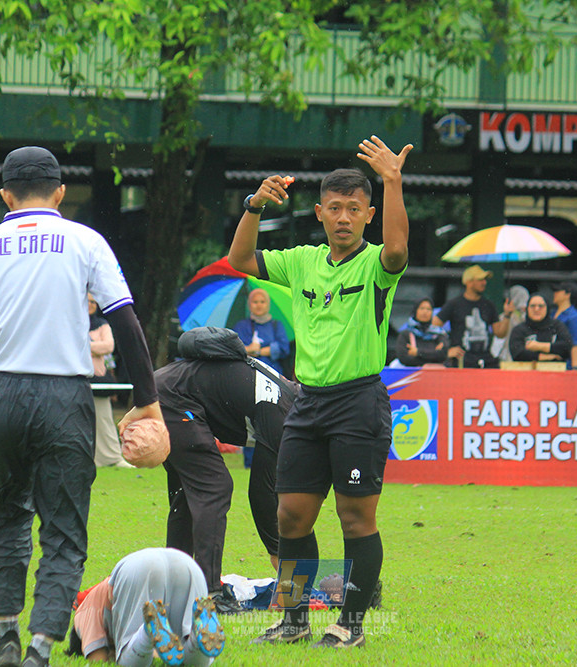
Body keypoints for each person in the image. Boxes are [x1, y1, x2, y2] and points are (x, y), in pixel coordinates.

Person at [0, 146, 161, 667]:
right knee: (64, 528)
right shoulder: (86, 241)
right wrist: (148, 402)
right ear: (61, 191)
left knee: (7, 514)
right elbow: (126, 323)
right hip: (64, 397)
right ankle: (40, 649)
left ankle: (4, 637)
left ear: (5, 195)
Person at [227, 135, 412, 649]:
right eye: (335, 208)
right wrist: (254, 206)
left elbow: (398, 249)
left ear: (369, 214)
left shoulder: (378, 264)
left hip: (359, 403)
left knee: (355, 518)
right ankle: (293, 620)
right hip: (306, 403)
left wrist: (392, 180)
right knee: (291, 514)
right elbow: (240, 259)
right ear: (319, 212)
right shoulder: (302, 261)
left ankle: (350, 624)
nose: (344, 217)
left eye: (355, 208)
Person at [156, 327, 295, 606]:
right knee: (214, 488)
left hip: (166, 388)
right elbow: (262, 493)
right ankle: (210, 592)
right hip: (174, 399)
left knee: (188, 494)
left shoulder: (287, 397)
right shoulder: (283, 414)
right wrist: (277, 551)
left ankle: (177, 585)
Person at [67, 548, 224, 666]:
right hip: (188, 564)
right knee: (187, 652)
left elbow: (97, 659)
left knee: (127, 658)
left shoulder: (83, 614)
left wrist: (114, 656)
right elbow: (159, 654)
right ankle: (196, 637)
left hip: (139, 569)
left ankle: (147, 631)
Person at [433, 264, 509, 368]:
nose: (484, 283)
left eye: (485, 280)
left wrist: (507, 315)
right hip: (462, 362)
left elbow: (499, 333)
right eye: (480, 279)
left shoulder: (489, 305)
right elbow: (433, 325)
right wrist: (446, 349)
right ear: (469, 282)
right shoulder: (454, 304)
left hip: (486, 361)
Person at [89, 294, 130, 468]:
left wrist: (85, 345)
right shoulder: (72, 321)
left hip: (97, 379)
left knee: (104, 419)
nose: (90, 305)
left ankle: (112, 457)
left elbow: (108, 346)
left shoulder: (101, 324)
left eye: (93, 302)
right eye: (87, 301)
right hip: (74, 379)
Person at [233, 288, 290, 376]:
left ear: (268, 304)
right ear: (249, 305)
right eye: (255, 302)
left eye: (262, 302)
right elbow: (234, 349)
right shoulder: (241, 326)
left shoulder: (276, 325)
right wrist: (248, 349)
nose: (259, 305)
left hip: (273, 374)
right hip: (247, 374)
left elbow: (284, 348)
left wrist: (258, 351)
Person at [508, 294, 573, 363]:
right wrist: (544, 357)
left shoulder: (557, 326)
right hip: (527, 372)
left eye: (541, 306)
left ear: (547, 308)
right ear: (527, 309)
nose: (536, 309)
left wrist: (537, 346)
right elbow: (517, 353)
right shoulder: (519, 329)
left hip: (555, 372)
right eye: (533, 306)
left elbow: (567, 348)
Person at [394, 298, 448, 367]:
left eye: (428, 309)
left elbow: (443, 355)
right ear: (415, 311)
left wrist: (417, 352)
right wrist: (432, 354)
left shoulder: (438, 334)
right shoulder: (406, 334)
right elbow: (404, 358)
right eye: (422, 308)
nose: (425, 312)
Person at [552, 281, 577, 370]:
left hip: (566, 366)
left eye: (558, 291)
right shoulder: (552, 313)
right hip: (551, 364)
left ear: (567, 295)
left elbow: (576, 344)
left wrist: (575, 368)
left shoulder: (574, 317)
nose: (554, 294)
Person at [492, 285, 529, 363]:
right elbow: (499, 338)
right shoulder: (503, 317)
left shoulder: (529, 317)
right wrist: (508, 315)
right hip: (506, 358)